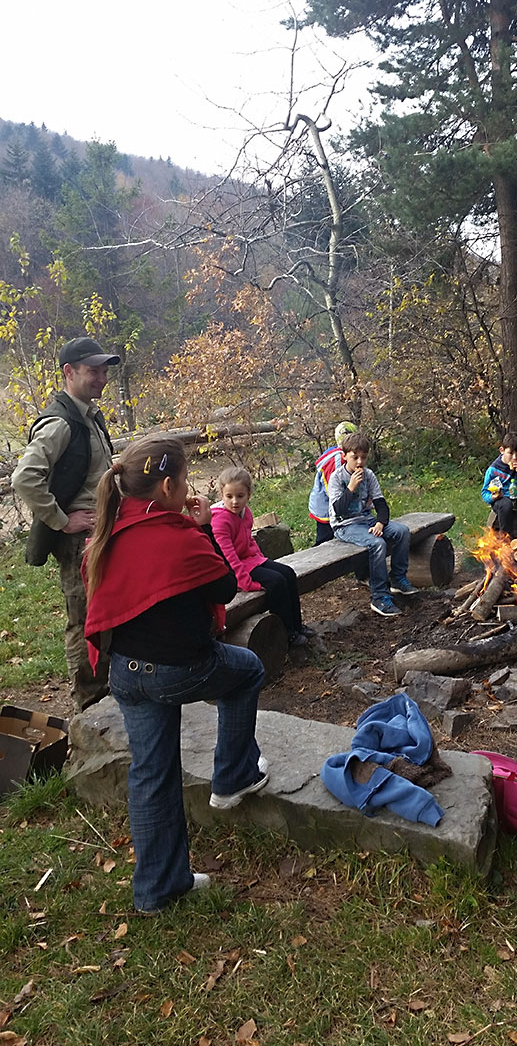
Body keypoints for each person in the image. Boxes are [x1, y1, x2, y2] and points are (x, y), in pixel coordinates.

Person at [84, 437, 267, 914]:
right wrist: (203, 528)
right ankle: (233, 777)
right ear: (167, 486)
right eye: (184, 481)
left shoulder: (108, 532)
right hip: (180, 669)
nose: (188, 489)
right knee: (248, 670)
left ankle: (157, 890)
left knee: (152, 773)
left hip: (125, 674)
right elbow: (225, 586)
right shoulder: (178, 537)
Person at [11, 336, 120, 711]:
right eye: (93, 371)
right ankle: (88, 705)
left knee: (106, 613)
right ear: (69, 372)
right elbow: (25, 478)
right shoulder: (60, 423)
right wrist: (61, 520)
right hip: (79, 542)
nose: (102, 378)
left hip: (99, 534)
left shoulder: (89, 415)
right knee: (86, 620)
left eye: (104, 371)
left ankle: (108, 691)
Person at [211, 467, 313, 648]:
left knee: (288, 573)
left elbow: (248, 540)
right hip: (232, 568)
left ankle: (297, 625)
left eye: (240, 496)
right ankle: (286, 633)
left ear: (248, 494)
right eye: (229, 496)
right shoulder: (220, 521)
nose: (234, 501)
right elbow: (229, 558)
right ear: (221, 494)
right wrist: (245, 583)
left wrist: (262, 559)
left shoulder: (245, 513)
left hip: (249, 560)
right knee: (276, 581)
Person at [328, 431, 416, 618]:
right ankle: (380, 597)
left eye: (364, 457)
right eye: (355, 457)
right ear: (345, 456)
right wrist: (351, 487)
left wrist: (380, 523)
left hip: (366, 519)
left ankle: (397, 579)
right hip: (345, 525)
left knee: (402, 531)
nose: (360, 462)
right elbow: (338, 510)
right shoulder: (337, 477)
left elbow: (381, 505)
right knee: (377, 544)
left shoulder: (369, 475)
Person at [308, 421, 357, 545]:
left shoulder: (347, 456)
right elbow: (333, 488)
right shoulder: (336, 461)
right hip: (325, 506)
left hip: (337, 504)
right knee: (324, 538)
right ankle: (318, 556)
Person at [480, 430, 517, 540]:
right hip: (501, 499)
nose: (514, 458)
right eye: (510, 453)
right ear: (502, 450)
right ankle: (506, 538)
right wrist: (492, 497)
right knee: (505, 505)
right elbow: (484, 493)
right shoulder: (493, 470)